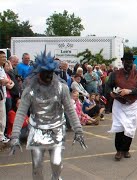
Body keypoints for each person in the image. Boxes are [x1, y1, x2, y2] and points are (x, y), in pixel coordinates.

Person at [9, 49, 87, 180]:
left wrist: (78, 130)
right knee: (37, 167)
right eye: (45, 73)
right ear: (38, 73)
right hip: (37, 130)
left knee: (57, 164)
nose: (49, 76)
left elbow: (70, 109)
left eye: (51, 73)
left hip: (56, 129)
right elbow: (21, 112)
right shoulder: (29, 91)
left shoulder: (62, 88)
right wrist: (15, 135)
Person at [105, 52, 137, 161]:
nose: (128, 64)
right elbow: (107, 86)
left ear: (133, 62)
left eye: (130, 62)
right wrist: (110, 93)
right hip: (119, 104)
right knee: (119, 127)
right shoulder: (115, 74)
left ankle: (126, 149)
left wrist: (130, 91)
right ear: (122, 62)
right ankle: (118, 151)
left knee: (130, 127)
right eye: (126, 62)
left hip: (133, 105)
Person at [0, 50, 10, 143]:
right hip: (0, 96)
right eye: (2, 57)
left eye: (5, 57)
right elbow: (3, 81)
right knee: (1, 116)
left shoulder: (2, 68)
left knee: (3, 117)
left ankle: (2, 135)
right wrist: (6, 81)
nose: (4, 59)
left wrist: (6, 81)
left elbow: (6, 80)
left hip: (3, 95)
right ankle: (1, 136)